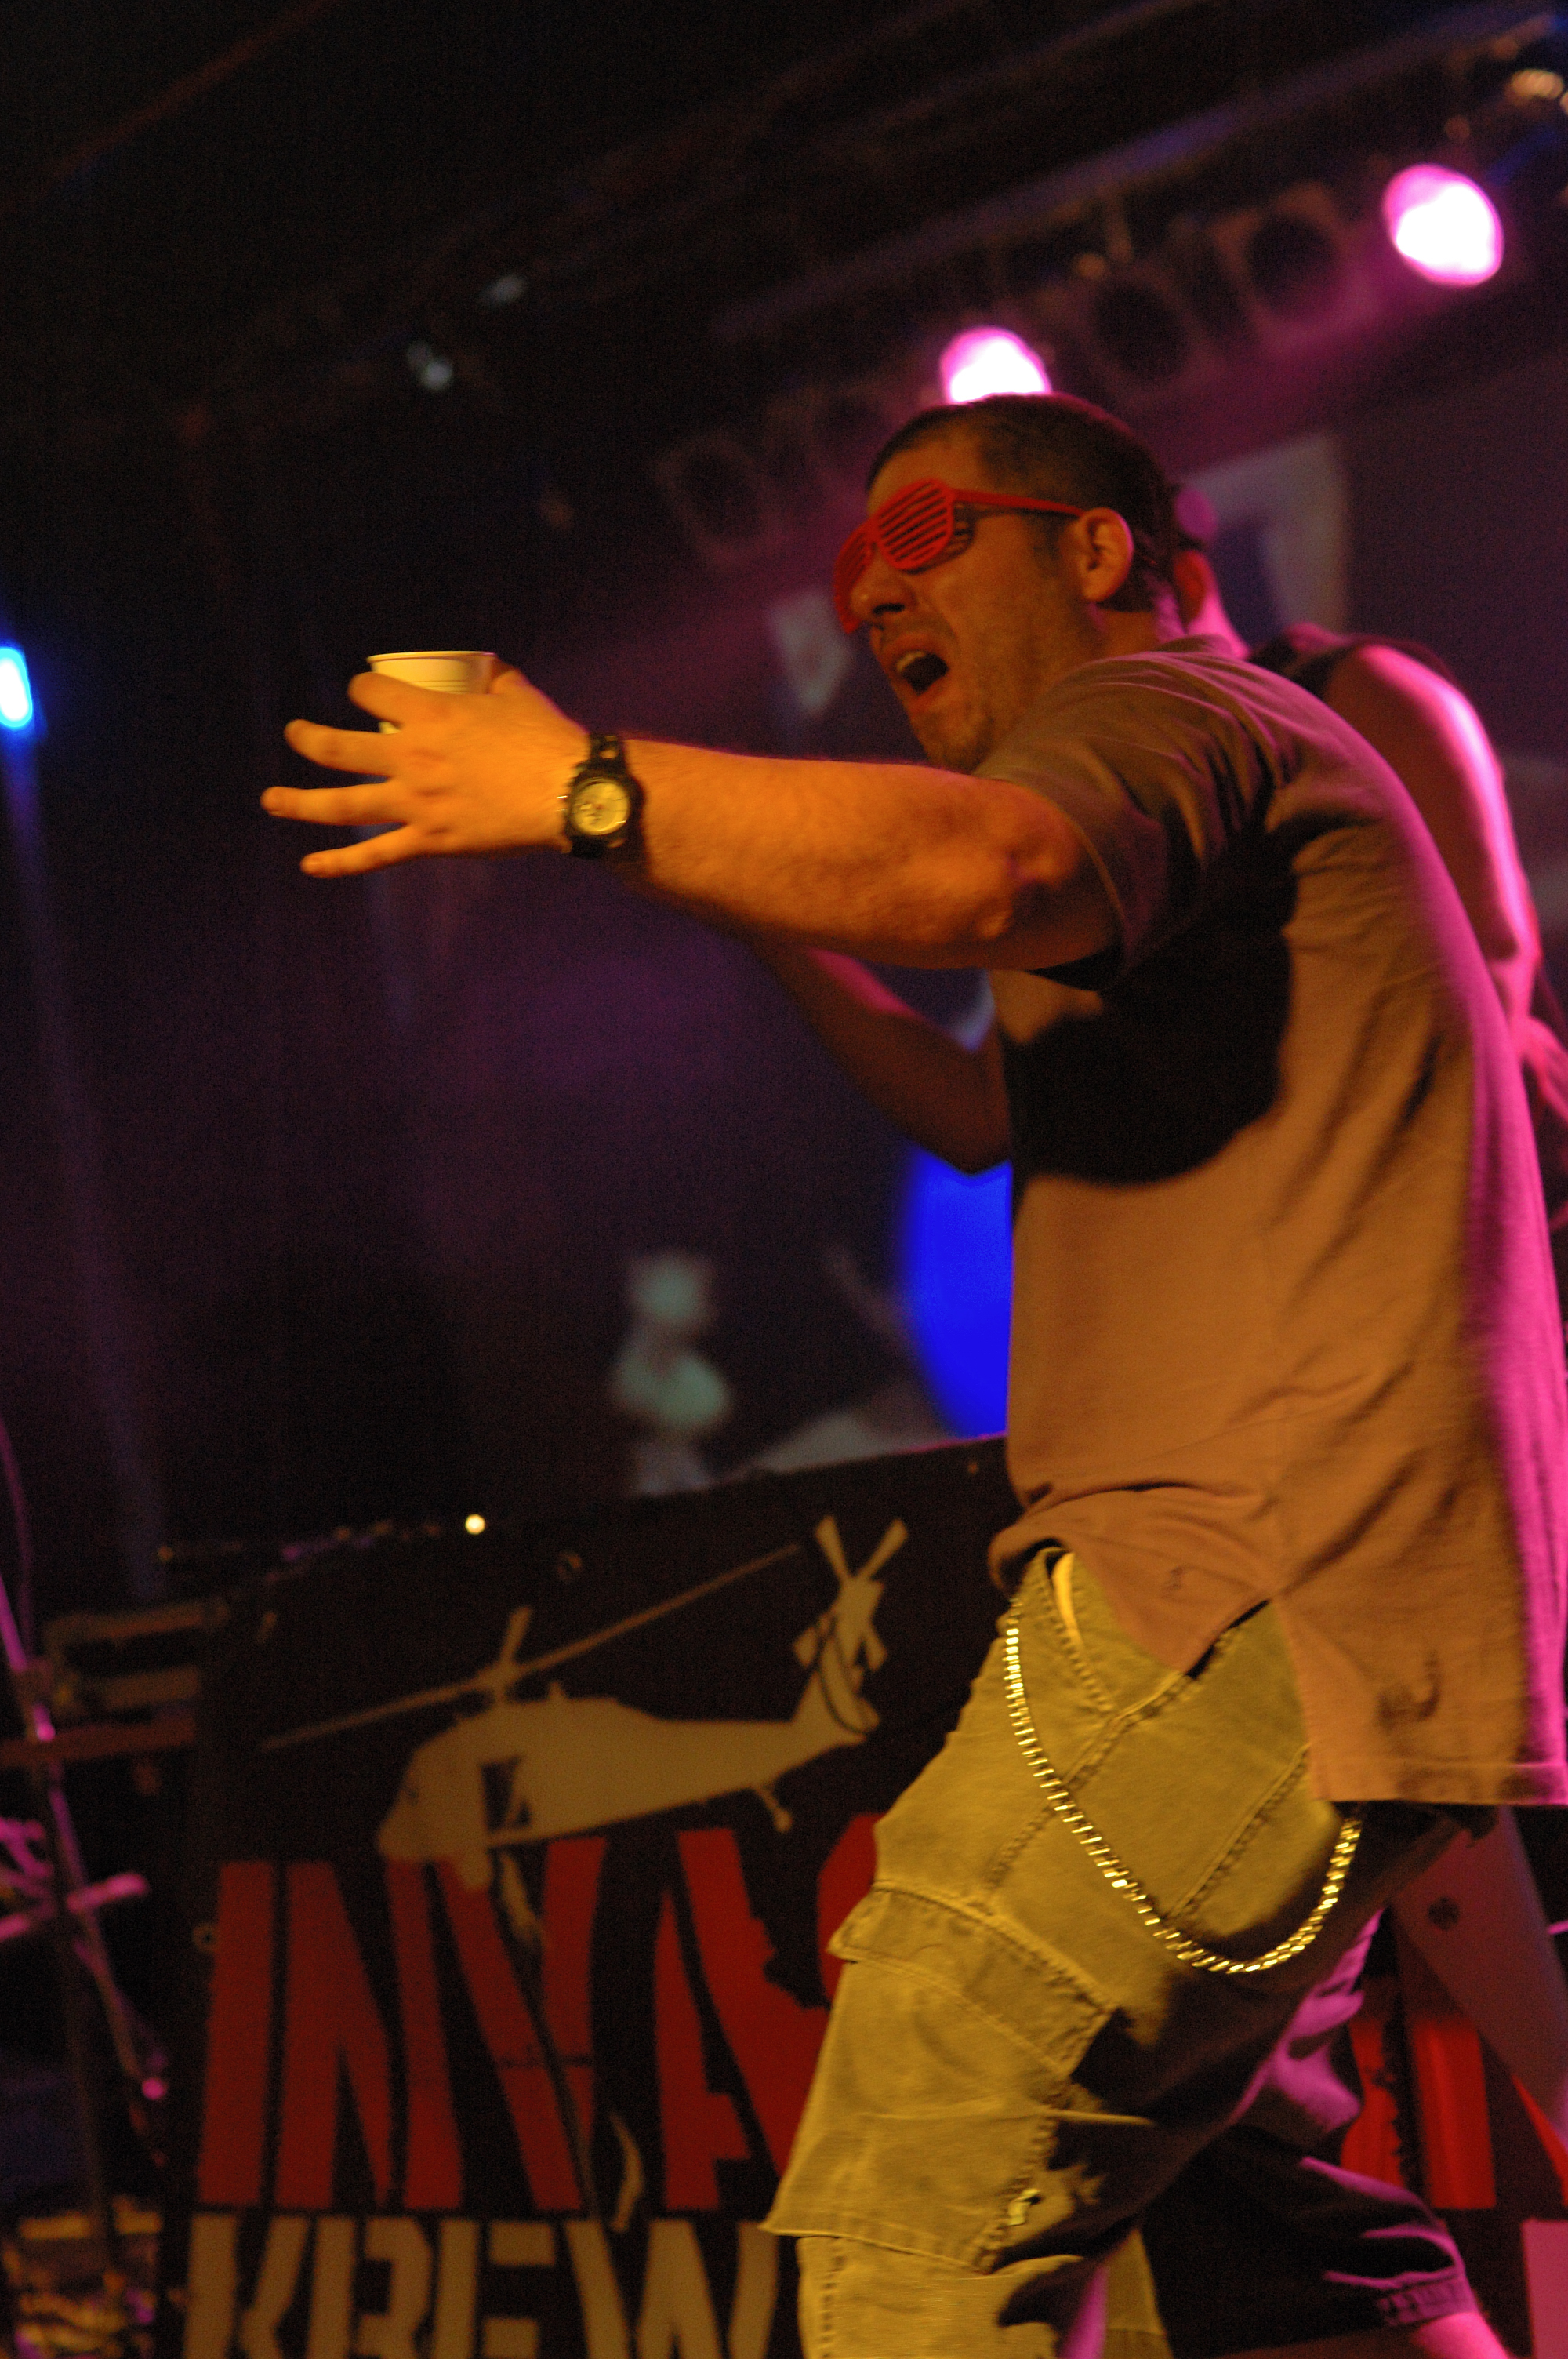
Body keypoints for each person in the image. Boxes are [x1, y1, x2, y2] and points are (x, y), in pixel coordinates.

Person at [263, 391, 1567, 2359]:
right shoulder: (1166, 820)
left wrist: (591, 785)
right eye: (852, 564)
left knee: (921, 2175)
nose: (873, 590)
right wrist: (709, 870)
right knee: (1268, 2252)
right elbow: (972, 1101)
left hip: (1235, 1590)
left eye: (930, 534)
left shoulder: (1174, 711)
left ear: (1101, 549)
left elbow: (982, 871)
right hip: (1293, 1598)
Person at [1169, 493, 1568, 1321]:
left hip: (1498, 1236)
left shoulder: (1352, 689)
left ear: (1186, 581)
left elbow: (1493, 955)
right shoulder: (1163, 798)